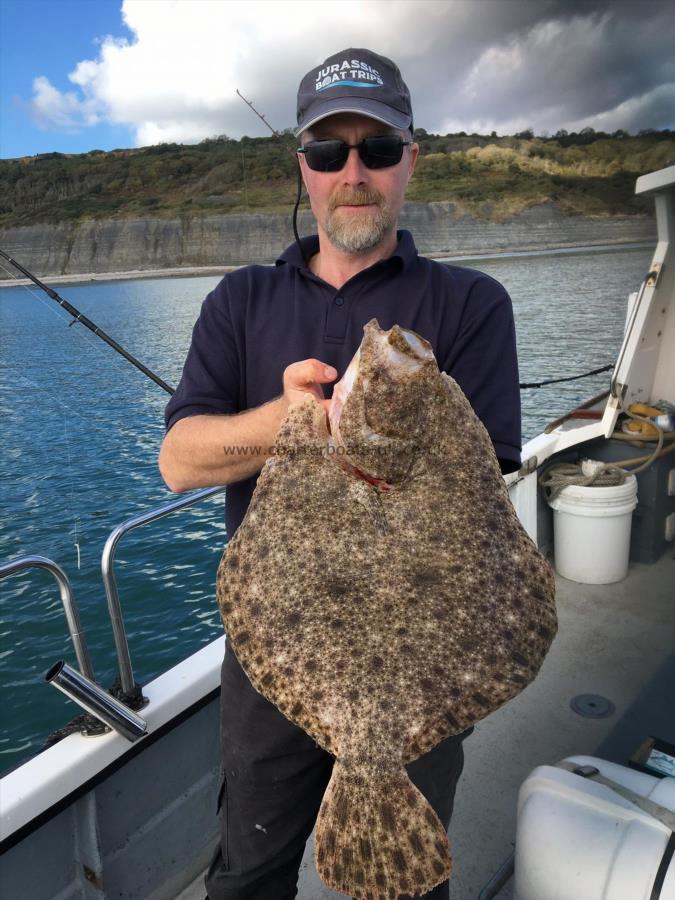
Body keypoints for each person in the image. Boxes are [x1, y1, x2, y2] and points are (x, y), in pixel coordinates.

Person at [159, 48, 521, 900]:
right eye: (328, 153)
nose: (351, 172)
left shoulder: (473, 304)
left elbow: (483, 489)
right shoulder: (238, 301)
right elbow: (178, 463)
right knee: (246, 873)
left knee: (404, 884)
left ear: (410, 162)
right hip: (276, 646)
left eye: (377, 149)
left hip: (421, 652)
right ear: (304, 169)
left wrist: (361, 427)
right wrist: (292, 424)